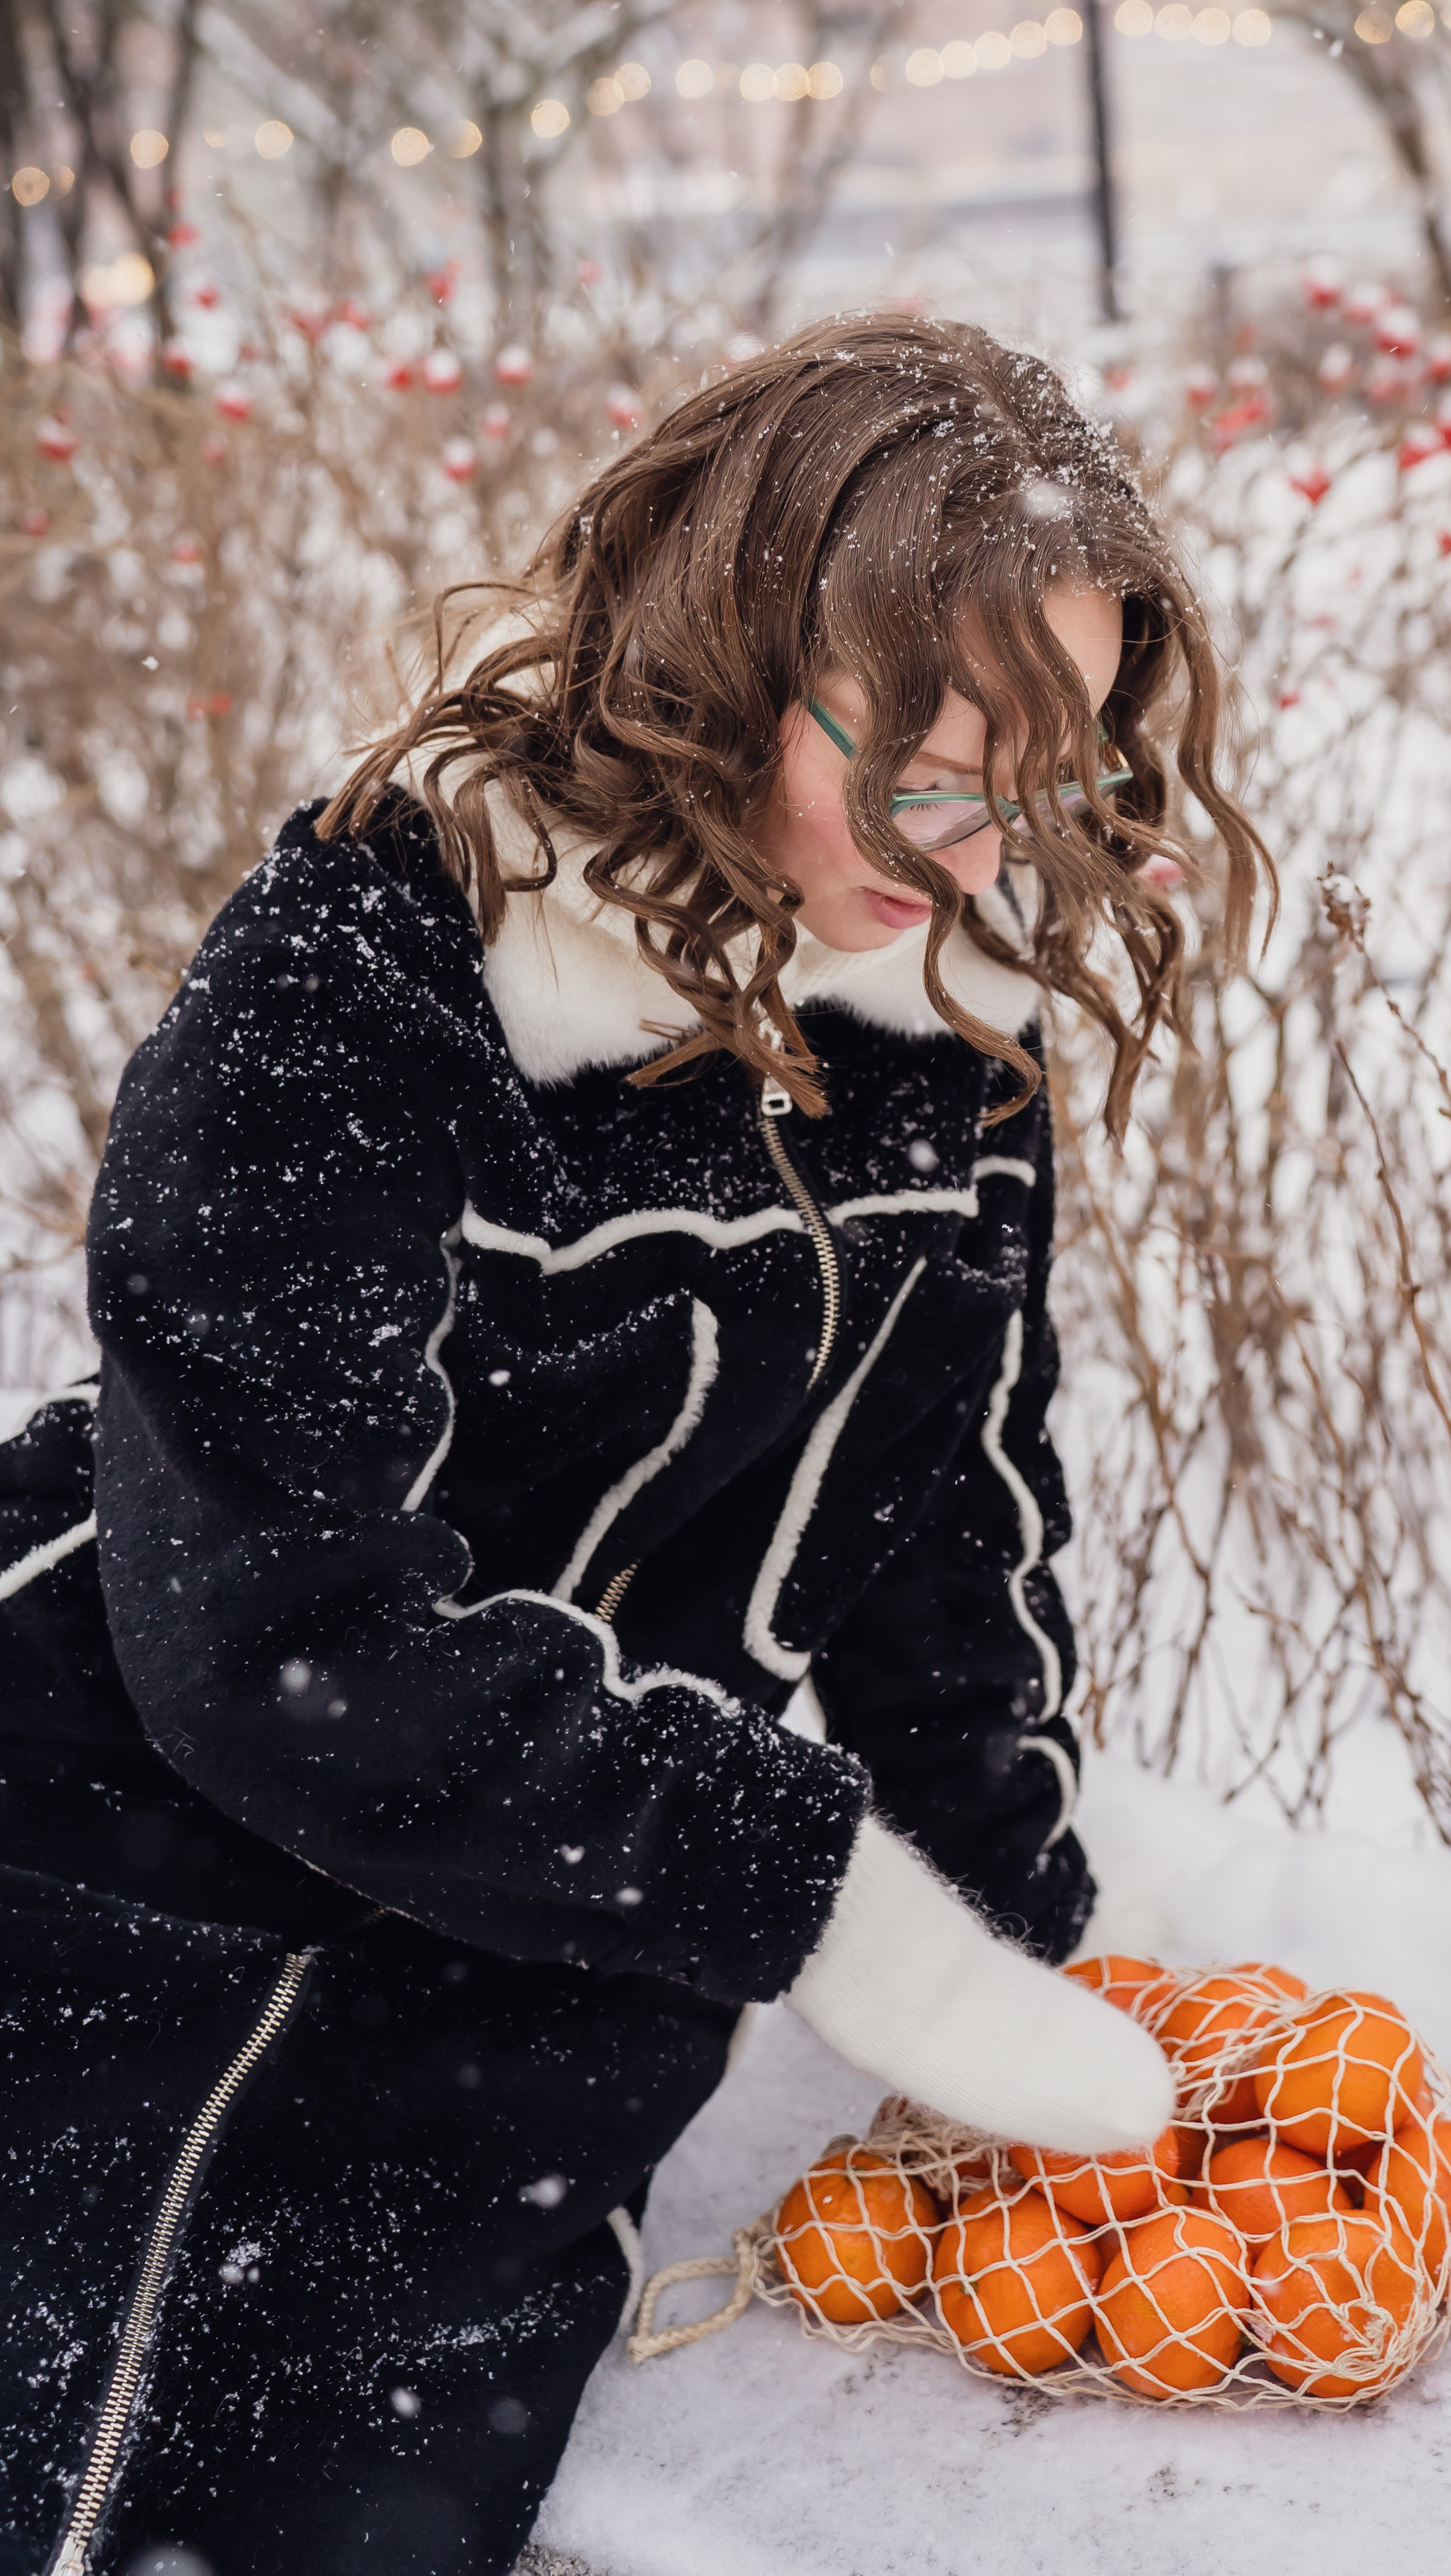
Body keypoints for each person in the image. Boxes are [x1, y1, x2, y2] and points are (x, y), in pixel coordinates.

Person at [0, 314, 1267, 2576]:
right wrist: (840, 1921)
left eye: (1041, 768)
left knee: (382, 2463)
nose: (973, 844)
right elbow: (274, 1625)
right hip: (114, 1809)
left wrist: (1020, 1926)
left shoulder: (941, 1037)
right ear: (721, 655)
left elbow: (943, 1538)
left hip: (567, 1891)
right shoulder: (366, 978)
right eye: (915, 755)